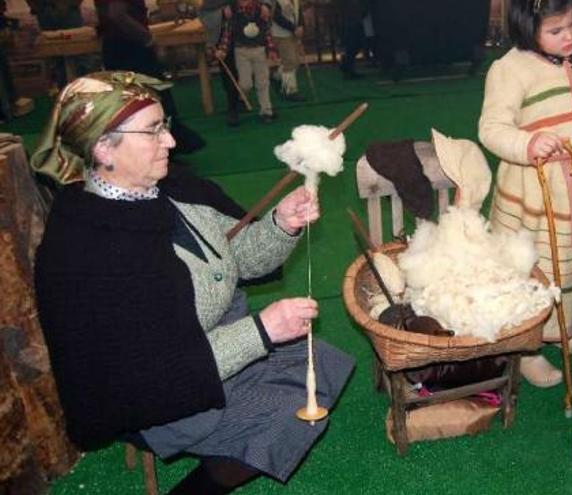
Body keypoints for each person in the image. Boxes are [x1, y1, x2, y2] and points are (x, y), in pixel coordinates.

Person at [30, 71, 354, 494]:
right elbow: (153, 369)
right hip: (163, 399)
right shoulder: (86, 251)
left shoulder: (172, 192)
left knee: (325, 361)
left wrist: (280, 224)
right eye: (153, 131)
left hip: (216, 345)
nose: (171, 141)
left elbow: (237, 257)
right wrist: (261, 332)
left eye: (164, 125)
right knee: (289, 414)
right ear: (102, 147)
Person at [478, 0, 572, 387]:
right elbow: (492, 128)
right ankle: (529, 347)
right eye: (556, 30)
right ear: (527, 29)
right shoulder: (509, 69)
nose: (570, 36)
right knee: (540, 267)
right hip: (539, 190)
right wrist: (527, 144)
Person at [95, 0, 205, 153]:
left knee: (138, 100)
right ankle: (158, 147)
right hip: (128, 46)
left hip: (119, 45)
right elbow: (117, 14)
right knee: (151, 97)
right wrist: (146, 37)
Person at [215, 0, 280, 123]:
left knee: (263, 82)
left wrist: (271, 50)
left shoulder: (261, 10)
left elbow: (266, 31)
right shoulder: (232, 11)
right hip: (241, 51)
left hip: (259, 50)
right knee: (245, 84)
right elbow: (228, 33)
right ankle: (241, 98)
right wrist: (222, 50)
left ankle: (266, 111)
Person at [201, 0, 244, 126]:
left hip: (240, 23)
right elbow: (202, 5)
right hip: (220, 27)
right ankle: (233, 107)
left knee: (242, 68)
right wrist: (224, 6)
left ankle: (238, 99)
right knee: (228, 69)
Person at [271, 0, 307, 101]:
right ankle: (289, 90)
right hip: (281, 34)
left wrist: (301, 26)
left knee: (295, 61)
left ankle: (277, 77)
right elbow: (276, 16)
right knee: (290, 61)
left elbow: (298, 13)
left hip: (293, 33)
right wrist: (293, 28)